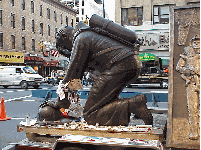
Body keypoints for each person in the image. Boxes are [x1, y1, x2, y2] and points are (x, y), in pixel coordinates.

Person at [47, 16, 153, 126]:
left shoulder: (81, 39)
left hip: (121, 64)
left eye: (68, 48)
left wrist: (60, 103)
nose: (71, 50)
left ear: (65, 37)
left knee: (90, 114)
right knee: (104, 104)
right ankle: (127, 108)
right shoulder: (89, 34)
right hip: (130, 62)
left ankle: (134, 104)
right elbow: (87, 72)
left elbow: (73, 75)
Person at [176, 34, 200, 140]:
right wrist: (189, 70)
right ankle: (194, 131)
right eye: (195, 42)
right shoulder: (187, 53)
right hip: (191, 83)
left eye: (198, 42)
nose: (196, 44)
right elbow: (178, 68)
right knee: (192, 108)